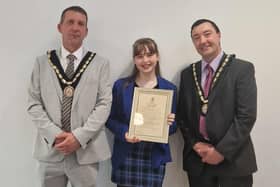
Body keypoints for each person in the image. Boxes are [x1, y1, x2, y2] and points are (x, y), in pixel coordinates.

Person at [27, 6, 112, 187]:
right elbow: (34, 104)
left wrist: (78, 137)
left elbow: (104, 104)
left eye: (81, 24)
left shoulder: (100, 64)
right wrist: (55, 135)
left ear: (86, 31)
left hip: (86, 150)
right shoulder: (42, 63)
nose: (75, 27)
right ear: (60, 27)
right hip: (51, 149)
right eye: (70, 22)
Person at [177, 19, 257, 187]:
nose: (202, 41)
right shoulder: (187, 74)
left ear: (218, 35)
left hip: (234, 161)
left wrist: (220, 152)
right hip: (199, 161)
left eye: (207, 34)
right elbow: (182, 116)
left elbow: (246, 117)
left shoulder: (242, 69)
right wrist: (194, 143)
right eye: (196, 37)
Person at [106, 38, 177, 187]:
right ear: (134, 60)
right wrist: (125, 133)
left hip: (154, 156)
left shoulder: (169, 89)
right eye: (140, 56)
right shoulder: (121, 86)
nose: (145, 60)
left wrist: (169, 124)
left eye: (149, 55)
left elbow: (174, 126)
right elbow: (110, 120)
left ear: (157, 57)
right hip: (126, 154)